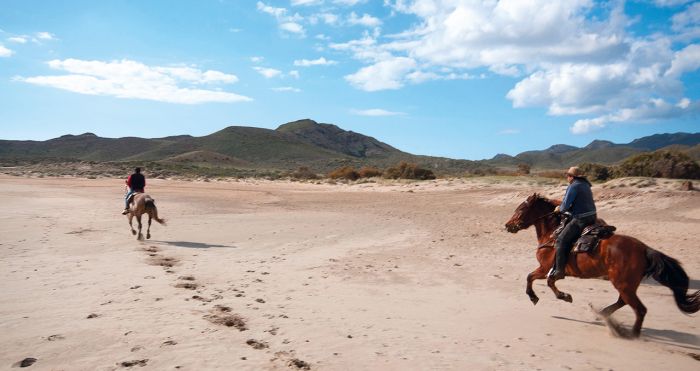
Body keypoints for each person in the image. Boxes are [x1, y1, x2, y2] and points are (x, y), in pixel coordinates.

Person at [548, 166, 597, 280]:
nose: (567, 177)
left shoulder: (573, 186)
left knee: (561, 239)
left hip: (581, 219)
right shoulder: (586, 185)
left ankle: (559, 271)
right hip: (592, 216)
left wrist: (558, 209)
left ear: (572, 177)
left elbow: (565, 206)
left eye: (568, 175)